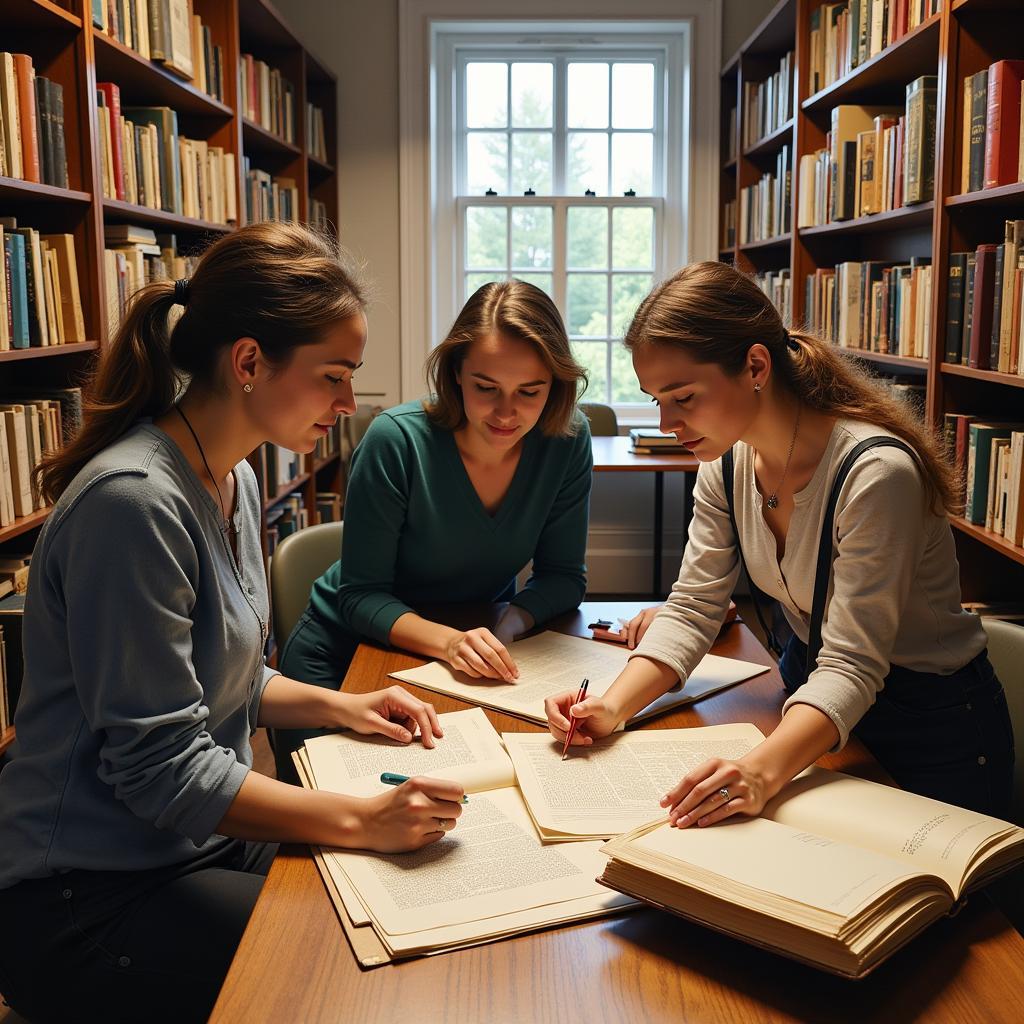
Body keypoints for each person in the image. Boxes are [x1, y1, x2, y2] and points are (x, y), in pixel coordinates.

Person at [0, 223, 464, 1024]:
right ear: (248, 362)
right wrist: (360, 817)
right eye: (334, 377)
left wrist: (339, 705)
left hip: (190, 844)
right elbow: (158, 767)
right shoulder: (133, 503)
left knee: (416, 914)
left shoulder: (234, 477)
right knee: (350, 976)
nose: (350, 404)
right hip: (85, 896)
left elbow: (225, 676)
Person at [546, 260, 1014, 827]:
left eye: (683, 397)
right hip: (820, 707)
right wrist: (612, 706)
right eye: (655, 397)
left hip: (932, 727)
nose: (665, 420)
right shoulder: (728, 458)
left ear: (756, 366)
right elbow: (694, 606)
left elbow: (854, 663)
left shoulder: (876, 472)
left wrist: (760, 773)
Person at [274, 279, 592, 779]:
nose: (507, 413)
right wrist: (451, 643)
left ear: (556, 386)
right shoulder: (396, 441)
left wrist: (507, 626)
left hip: (467, 657)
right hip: (344, 656)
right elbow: (361, 597)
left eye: (530, 392)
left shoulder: (567, 439)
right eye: (485, 388)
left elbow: (563, 578)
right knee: (335, 821)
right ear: (455, 376)